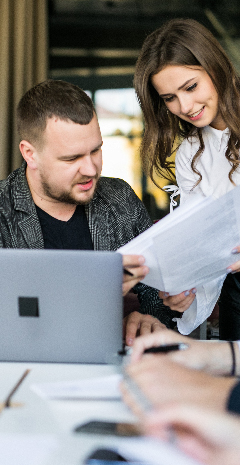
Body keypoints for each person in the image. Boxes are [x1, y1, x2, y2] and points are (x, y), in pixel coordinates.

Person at [0, 79, 176, 345]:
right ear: (30, 154)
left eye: (96, 150)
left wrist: (147, 317)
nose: (92, 170)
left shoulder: (119, 199)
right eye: (72, 158)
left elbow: (159, 287)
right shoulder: (3, 210)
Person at [134, 17, 240, 338]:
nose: (185, 106)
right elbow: (202, 246)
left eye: (190, 87)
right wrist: (184, 290)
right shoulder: (189, 153)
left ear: (215, 67)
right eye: (169, 98)